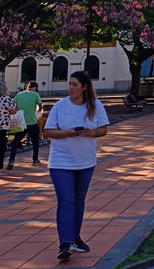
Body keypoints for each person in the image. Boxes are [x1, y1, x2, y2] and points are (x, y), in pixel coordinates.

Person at [45, 71, 109, 261]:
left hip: (85, 161)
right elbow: (48, 131)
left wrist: (91, 133)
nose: (70, 88)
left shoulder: (95, 106)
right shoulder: (60, 105)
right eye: (69, 84)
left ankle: (75, 238)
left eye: (74, 84)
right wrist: (68, 133)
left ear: (84, 87)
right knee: (66, 201)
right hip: (61, 162)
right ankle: (64, 243)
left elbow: (103, 130)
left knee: (79, 201)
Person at [9, 81, 43, 169]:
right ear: (35, 87)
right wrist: (37, 112)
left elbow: (14, 106)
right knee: (35, 141)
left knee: (15, 142)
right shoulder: (35, 94)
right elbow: (40, 106)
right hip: (32, 121)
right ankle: (35, 159)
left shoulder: (19, 95)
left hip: (21, 122)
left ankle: (11, 160)